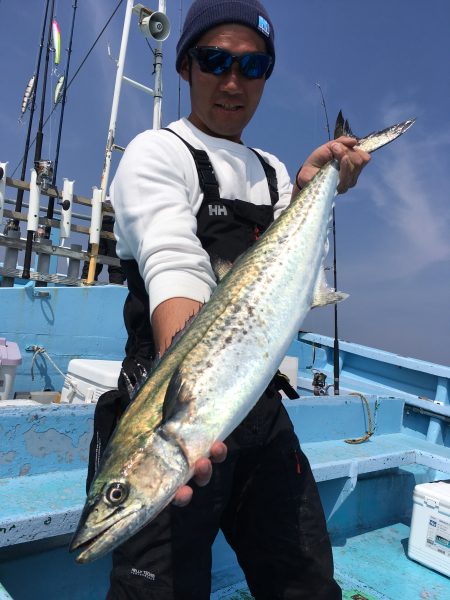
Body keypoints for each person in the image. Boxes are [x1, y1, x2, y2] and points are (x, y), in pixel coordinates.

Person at [88, 1, 370, 598]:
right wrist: (193, 402)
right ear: (186, 66)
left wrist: (309, 188)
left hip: (261, 410)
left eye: (253, 66)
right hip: (175, 399)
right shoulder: (156, 154)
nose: (233, 81)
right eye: (215, 60)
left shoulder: (271, 172)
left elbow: (283, 274)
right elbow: (175, 263)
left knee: (307, 583)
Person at [81, 198, 126, 285]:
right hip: (114, 221)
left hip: (100, 219)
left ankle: (85, 285)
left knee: (92, 260)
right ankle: (116, 288)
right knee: (115, 264)